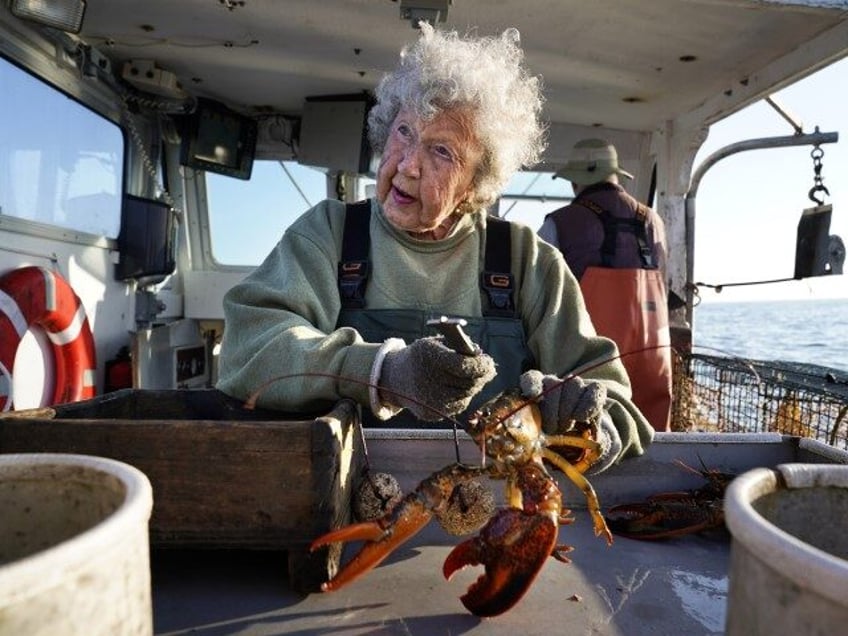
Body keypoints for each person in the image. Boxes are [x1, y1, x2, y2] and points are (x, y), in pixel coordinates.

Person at [216, 24, 653, 473]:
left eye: (441, 151)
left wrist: (588, 428)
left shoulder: (528, 261)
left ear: (475, 185)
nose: (407, 165)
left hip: (497, 512)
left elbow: (617, 406)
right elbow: (247, 351)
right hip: (347, 499)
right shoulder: (329, 233)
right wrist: (381, 373)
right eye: (403, 131)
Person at [538, 138, 673, 431]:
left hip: (592, 361)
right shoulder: (654, 221)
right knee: (652, 434)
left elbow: (537, 292)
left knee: (589, 435)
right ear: (615, 175)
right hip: (652, 355)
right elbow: (665, 279)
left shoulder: (559, 223)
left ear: (577, 181)